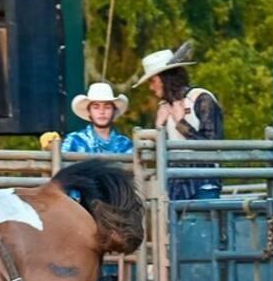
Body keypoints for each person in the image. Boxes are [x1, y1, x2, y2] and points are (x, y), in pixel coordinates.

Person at [134, 43, 224, 200]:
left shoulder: (201, 99)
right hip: (174, 185)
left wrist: (181, 123)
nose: (151, 87)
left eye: (153, 81)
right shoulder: (164, 107)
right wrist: (158, 127)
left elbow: (212, 145)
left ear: (165, 78)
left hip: (204, 184)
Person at [42, 81, 133, 155]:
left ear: (114, 111)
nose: (102, 112)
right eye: (96, 107)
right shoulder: (74, 141)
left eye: (107, 107)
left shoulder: (125, 144)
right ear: (89, 111)